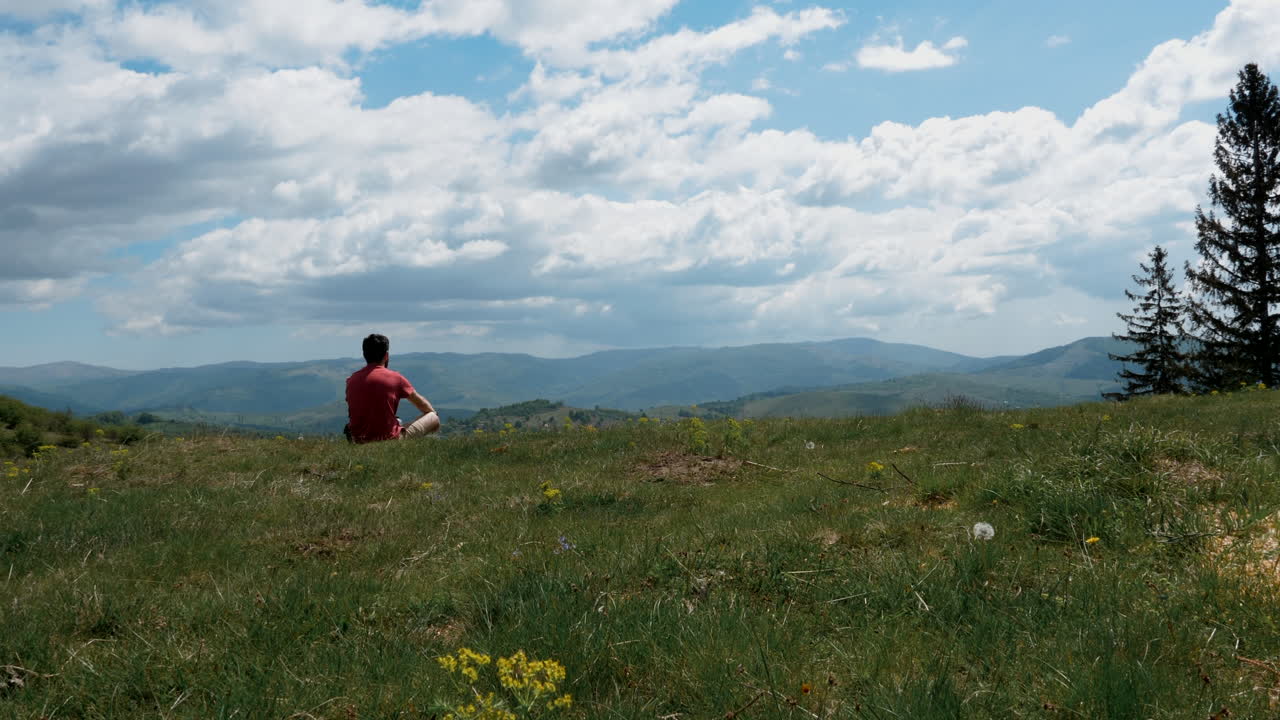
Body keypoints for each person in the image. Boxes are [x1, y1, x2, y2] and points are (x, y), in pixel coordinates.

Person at [345, 333, 441, 443]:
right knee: (433, 416)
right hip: (389, 439)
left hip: (358, 440)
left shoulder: (351, 380)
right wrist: (433, 417)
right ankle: (429, 443)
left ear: (365, 355)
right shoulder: (396, 378)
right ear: (386, 356)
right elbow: (423, 405)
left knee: (396, 421)